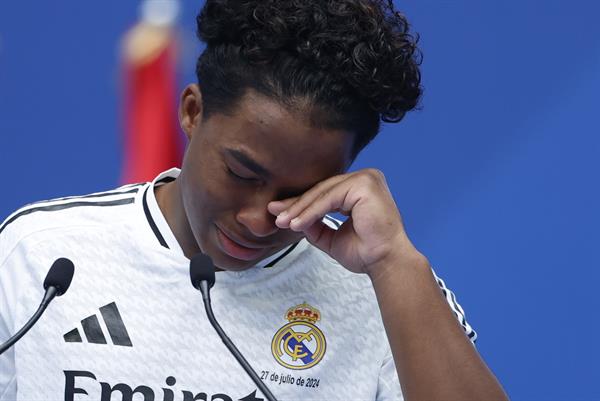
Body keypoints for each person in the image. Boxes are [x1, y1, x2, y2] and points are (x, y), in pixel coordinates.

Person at [0, 0, 509, 400]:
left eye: (300, 194)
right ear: (193, 112)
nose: (259, 222)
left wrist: (394, 263)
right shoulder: (39, 255)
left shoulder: (384, 288)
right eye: (242, 173)